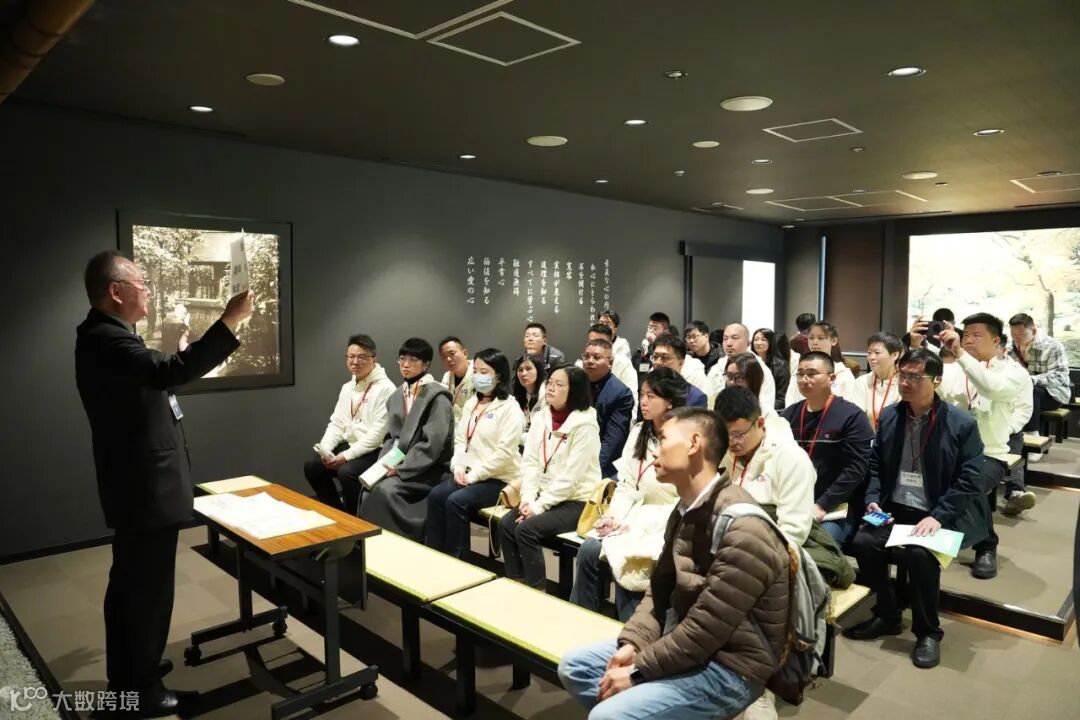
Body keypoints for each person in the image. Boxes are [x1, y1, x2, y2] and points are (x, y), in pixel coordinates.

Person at [76, 251, 253, 714]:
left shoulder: (107, 336)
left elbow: (155, 377)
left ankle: (135, 671)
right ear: (116, 291)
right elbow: (169, 372)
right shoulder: (108, 340)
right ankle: (141, 691)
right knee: (145, 593)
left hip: (138, 488)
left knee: (134, 586)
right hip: (143, 491)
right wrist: (230, 320)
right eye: (141, 283)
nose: (148, 290)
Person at [558, 407, 790, 720]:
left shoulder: (744, 529)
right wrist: (633, 643)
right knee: (575, 667)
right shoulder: (685, 508)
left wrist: (639, 671)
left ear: (694, 444)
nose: (655, 450)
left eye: (664, 439)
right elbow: (659, 589)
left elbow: (705, 630)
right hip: (684, 639)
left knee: (608, 715)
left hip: (732, 666)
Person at [846, 350, 991, 669]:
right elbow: (875, 464)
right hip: (894, 507)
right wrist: (873, 497)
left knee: (919, 554)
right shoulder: (890, 416)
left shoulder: (961, 423)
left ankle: (928, 632)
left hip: (938, 511)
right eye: (903, 375)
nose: (906, 383)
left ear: (936, 381)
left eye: (915, 377)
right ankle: (887, 614)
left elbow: (970, 479)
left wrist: (938, 516)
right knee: (863, 542)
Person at [915, 313, 1030, 579]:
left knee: (969, 482)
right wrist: (916, 347)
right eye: (965, 335)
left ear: (996, 340)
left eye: (977, 335)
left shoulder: (1013, 373)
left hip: (990, 453)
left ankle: (986, 546)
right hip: (949, 451)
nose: (968, 340)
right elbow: (929, 389)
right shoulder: (954, 369)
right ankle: (933, 538)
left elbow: (991, 388)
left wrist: (959, 354)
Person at [569, 368, 687, 620]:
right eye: (642, 395)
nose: (643, 401)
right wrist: (613, 517)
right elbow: (627, 485)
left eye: (651, 396)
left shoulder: (685, 439)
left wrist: (639, 526)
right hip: (634, 516)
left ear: (670, 402)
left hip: (667, 523)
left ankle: (630, 629)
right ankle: (582, 619)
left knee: (631, 559)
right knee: (589, 549)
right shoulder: (639, 432)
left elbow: (684, 499)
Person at [499, 365, 602, 588]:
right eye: (550, 382)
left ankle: (537, 591)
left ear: (574, 390)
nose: (551, 388)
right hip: (543, 495)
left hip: (576, 500)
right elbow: (530, 462)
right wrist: (527, 499)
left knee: (526, 530)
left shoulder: (585, 425)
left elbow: (570, 478)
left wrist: (538, 507)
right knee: (506, 524)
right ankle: (517, 582)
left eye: (559, 384)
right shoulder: (542, 417)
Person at [426, 349, 524, 558]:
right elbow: (461, 440)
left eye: (484, 372)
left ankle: (458, 560)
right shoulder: (472, 403)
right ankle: (435, 554)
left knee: (456, 501)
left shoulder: (510, 408)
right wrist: (458, 467)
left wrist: (473, 476)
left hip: (499, 478)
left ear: (499, 376)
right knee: (436, 496)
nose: (478, 376)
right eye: (476, 371)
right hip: (470, 473)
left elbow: (504, 454)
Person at [360, 338, 454, 541]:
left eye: (413, 360)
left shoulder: (437, 397)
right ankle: (372, 543)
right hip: (399, 462)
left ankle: (404, 540)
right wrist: (383, 465)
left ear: (426, 364)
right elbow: (391, 438)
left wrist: (401, 469)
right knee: (369, 486)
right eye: (402, 359)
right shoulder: (396, 396)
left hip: (429, 468)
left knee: (386, 490)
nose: (406, 364)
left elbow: (433, 444)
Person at [781, 351, 874, 544]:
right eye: (800, 374)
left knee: (820, 546)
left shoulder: (851, 416)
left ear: (832, 378)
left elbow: (856, 469)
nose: (804, 379)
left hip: (836, 505)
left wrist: (823, 505)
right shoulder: (790, 415)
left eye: (812, 374)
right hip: (794, 501)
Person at [306, 334, 396, 514]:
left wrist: (345, 456)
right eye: (351, 356)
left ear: (374, 358)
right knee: (313, 466)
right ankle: (338, 514)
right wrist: (326, 449)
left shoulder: (386, 389)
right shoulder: (348, 387)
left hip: (376, 449)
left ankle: (358, 521)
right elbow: (337, 423)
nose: (355, 362)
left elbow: (377, 435)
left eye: (361, 357)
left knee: (347, 472)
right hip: (353, 445)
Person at [715, 386, 813, 545]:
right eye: (725, 435)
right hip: (731, 538)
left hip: (780, 546)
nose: (731, 442)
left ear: (760, 423)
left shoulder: (791, 458)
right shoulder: (721, 451)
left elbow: (794, 531)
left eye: (738, 435)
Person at [1008, 313, 1071, 433]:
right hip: (1019, 390)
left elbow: (1059, 376)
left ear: (1033, 331)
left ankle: (1032, 433)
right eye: (1013, 334)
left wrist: (1031, 380)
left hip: (1054, 393)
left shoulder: (1052, 346)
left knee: (1031, 391)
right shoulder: (1009, 347)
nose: (1017, 338)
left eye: (1022, 334)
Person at [581, 338, 635, 479]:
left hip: (600, 465)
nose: (590, 361)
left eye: (597, 357)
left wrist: (591, 471)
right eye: (586, 356)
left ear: (610, 362)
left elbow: (612, 440)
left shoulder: (621, 393)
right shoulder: (575, 385)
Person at [718, 353, 793, 441]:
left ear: (753, 380)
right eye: (729, 376)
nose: (731, 382)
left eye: (739, 377)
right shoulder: (719, 410)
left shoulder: (766, 413)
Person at [998, 344, 1036, 515]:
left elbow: (1023, 410)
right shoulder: (967, 366)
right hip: (972, 424)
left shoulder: (1018, 373)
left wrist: (1005, 429)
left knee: (1013, 441)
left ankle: (1016, 494)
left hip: (1006, 426)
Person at [783, 321, 855, 407]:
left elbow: (850, 407)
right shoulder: (799, 372)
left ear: (834, 341)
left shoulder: (844, 374)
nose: (814, 342)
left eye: (820, 338)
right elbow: (790, 403)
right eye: (811, 338)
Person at [707, 323, 775, 411]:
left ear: (748, 343)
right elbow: (709, 398)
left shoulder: (760, 369)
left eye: (734, 338)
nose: (728, 343)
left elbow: (765, 406)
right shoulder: (717, 368)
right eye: (725, 338)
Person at [577, 323, 639, 405]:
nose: (596, 346)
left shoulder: (624, 364)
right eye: (592, 342)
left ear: (611, 344)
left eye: (601, 342)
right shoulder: (581, 364)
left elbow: (632, 402)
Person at [851, 332, 903, 431]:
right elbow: (855, 416)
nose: (871, 357)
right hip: (866, 437)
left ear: (895, 355)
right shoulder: (862, 382)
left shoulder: (903, 382)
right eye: (869, 353)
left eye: (877, 353)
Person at [649, 333, 709, 406]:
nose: (657, 362)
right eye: (655, 357)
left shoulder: (695, 398)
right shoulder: (647, 388)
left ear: (681, 363)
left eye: (664, 357)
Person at [438, 336, 475, 422]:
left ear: (465, 353)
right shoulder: (447, 376)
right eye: (444, 357)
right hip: (451, 423)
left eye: (452, 353)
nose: (448, 359)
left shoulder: (478, 373)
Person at [752, 328, 790, 410]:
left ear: (771, 342)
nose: (759, 343)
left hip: (771, 409)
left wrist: (763, 410)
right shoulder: (748, 362)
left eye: (763, 340)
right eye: (756, 339)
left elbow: (781, 397)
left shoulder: (780, 365)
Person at [512, 354, 547, 443]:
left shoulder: (547, 393)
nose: (523, 373)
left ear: (538, 371)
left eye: (528, 369)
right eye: (520, 370)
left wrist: (517, 438)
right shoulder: (517, 396)